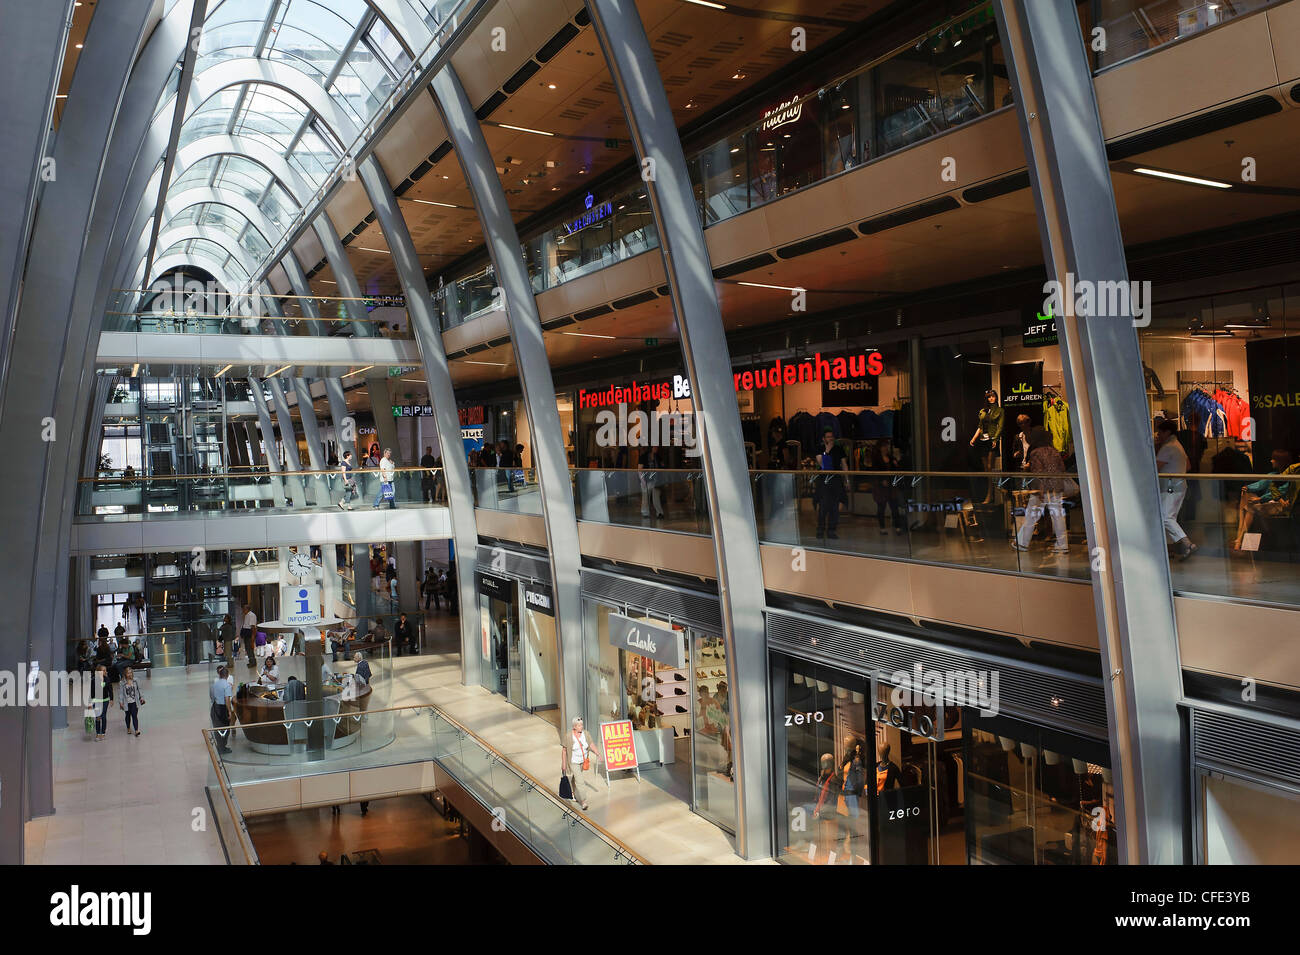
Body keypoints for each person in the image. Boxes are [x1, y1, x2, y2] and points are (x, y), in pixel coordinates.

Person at [1013, 428, 1070, 555]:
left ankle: (1022, 543)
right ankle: (1063, 545)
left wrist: (1039, 490)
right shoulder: (1054, 451)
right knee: (1058, 517)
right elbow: (1062, 468)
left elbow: (1039, 473)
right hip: (1057, 487)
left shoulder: (1036, 452)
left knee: (1031, 516)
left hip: (1043, 489)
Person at [1232, 448, 1300, 552]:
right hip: (1272, 502)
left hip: (1281, 504)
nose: (1271, 461)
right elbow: (1261, 484)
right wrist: (1248, 488)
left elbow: (1282, 490)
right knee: (1246, 495)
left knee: (1250, 507)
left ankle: (1239, 538)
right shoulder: (1274, 475)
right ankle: (1239, 537)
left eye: (1274, 459)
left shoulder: (1290, 474)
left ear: (1279, 461)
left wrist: (1261, 499)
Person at [1155, 419, 1198, 560]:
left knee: (1165, 517)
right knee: (1170, 517)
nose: (1157, 435)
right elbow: (1188, 466)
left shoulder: (1167, 447)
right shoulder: (1178, 445)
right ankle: (1171, 549)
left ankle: (1187, 544)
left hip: (1169, 488)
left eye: (1159, 432)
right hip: (1179, 486)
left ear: (1167, 432)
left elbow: (1155, 468)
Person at [561, 717, 602, 811]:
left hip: (583, 762)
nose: (581, 727)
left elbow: (591, 744)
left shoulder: (586, 734)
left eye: (582, 725)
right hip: (573, 762)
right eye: (579, 725)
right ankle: (583, 801)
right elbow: (564, 751)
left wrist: (597, 753)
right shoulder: (568, 736)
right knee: (580, 781)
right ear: (574, 727)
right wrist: (563, 764)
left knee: (576, 778)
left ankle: (572, 792)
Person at [815, 427, 848, 540]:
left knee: (835, 506)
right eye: (828, 437)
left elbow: (844, 464)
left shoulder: (839, 449)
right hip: (824, 479)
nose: (830, 439)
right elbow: (821, 463)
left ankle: (831, 530)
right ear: (823, 439)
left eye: (832, 437)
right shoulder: (820, 448)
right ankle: (820, 529)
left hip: (836, 480)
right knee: (823, 505)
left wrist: (847, 479)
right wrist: (827, 450)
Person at [210, 665, 234, 754]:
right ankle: (222, 747)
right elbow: (227, 699)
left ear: (219, 675)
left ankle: (219, 745)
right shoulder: (227, 685)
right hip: (222, 709)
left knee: (217, 727)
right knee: (225, 728)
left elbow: (212, 697)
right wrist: (229, 711)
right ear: (227, 675)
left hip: (215, 708)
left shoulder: (213, 685)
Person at [118, 666, 145, 737]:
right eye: (128, 673)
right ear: (125, 674)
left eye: (130, 673)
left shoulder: (136, 680)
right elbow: (120, 693)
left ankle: (136, 730)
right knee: (127, 715)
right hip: (126, 703)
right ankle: (128, 727)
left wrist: (141, 697)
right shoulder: (122, 683)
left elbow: (140, 689)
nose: (129, 674)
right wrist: (120, 702)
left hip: (134, 702)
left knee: (134, 716)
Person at [92, 664, 111, 741]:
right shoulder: (93, 680)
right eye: (103, 670)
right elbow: (91, 692)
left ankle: (103, 732)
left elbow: (110, 689)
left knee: (103, 716)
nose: (105, 671)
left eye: (105, 670)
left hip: (105, 700)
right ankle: (98, 733)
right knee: (97, 717)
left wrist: (112, 699)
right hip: (96, 701)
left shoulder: (107, 679)